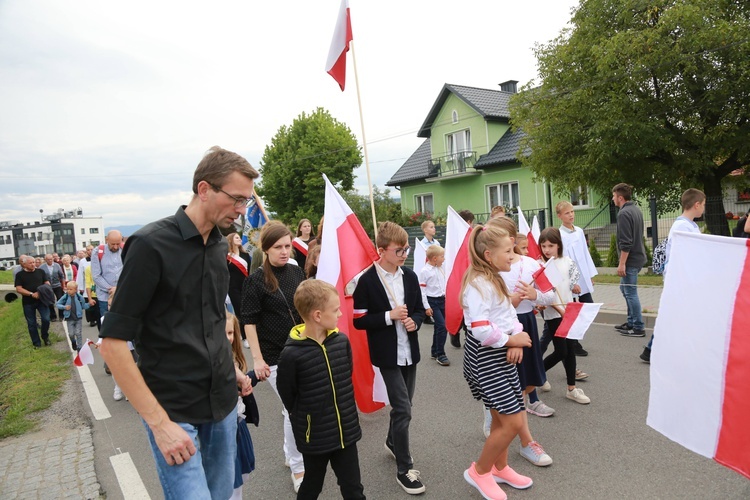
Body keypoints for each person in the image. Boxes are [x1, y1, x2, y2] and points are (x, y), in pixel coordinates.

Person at [98, 146, 257, 499]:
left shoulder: (218, 246)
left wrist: (234, 371)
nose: (242, 210)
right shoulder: (150, 245)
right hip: (174, 412)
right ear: (204, 189)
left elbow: (215, 322)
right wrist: (159, 424)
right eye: (236, 199)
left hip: (222, 405)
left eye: (246, 201)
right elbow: (112, 344)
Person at [460, 223, 534, 500]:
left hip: (500, 356)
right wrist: (510, 340)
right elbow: (479, 329)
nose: (513, 255)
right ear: (489, 255)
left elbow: (507, 316)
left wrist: (516, 333)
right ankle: (479, 471)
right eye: (508, 251)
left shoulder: (495, 279)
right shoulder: (478, 284)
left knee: (501, 419)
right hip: (486, 359)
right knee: (513, 422)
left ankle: (500, 468)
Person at [353, 221, 426, 495]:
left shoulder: (408, 276)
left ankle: (393, 442)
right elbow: (359, 319)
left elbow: (418, 310)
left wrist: (415, 322)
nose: (404, 254)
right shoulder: (367, 280)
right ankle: (404, 470)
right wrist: (388, 316)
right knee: (404, 409)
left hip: (410, 351)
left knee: (403, 406)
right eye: (399, 250)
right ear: (381, 250)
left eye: (406, 249)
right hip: (387, 354)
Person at [277, 279, 365, 500]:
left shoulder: (341, 342)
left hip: (346, 432)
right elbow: (288, 396)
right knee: (312, 486)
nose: (340, 315)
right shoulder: (292, 355)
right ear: (317, 315)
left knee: (354, 489)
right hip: (315, 437)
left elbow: (346, 376)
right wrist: (306, 422)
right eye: (335, 310)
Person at [242, 221, 307, 493]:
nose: (284, 251)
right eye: (278, 247)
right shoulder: (255, 280)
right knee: (295, 409)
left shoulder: (296, 271)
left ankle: (289, 451)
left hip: (302, 349)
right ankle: (297, 466)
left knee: (290, 407)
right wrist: (257, 359)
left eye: (287, 246)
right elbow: (249, 322)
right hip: (274, 356)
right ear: (266, 249)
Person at [485, 217, 555, 467]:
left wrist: (536, 295)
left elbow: (550, 294)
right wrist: (508, 304)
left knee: (525, 384)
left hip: (525, 324)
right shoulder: (488, 267)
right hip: (500, 330)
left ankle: (498, 418)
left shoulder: (530, 264)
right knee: (509, 386)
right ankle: (525, 441)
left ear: (511, 240)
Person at [640, 188, 705, 363]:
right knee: (674, 315)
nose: (704, 208)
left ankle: (653, 350)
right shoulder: (682, 226)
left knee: (674, 315)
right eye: (703, 205)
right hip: (679, 278)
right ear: (696, 204)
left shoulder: (690, 224)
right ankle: (653, 350)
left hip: (683, 278)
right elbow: (686, 253)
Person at [538, 228, 591, 405]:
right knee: (561, 350)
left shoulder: (567, 262)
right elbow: (544, 293)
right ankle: (536, 374)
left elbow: (572, 282)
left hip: (568, 310)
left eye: (550, 245)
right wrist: (556, 308)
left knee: (570, 349)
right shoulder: (541, 266)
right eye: (543, 246)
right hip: (553, 313)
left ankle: (571, 388)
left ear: (558, 245)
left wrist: (575, 286)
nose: (546, 249)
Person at [556, 201, 598, 357]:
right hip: (571, 280)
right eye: (567, 213)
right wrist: (571, 282)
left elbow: (585, 255)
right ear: (559, 216)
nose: (571, 215)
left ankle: (574, 339)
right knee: (572, 311)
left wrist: (589, 276)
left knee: (588, 307)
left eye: (572, 212)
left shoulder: (579, 231)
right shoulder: (559, 235)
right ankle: (573, 342)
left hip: (583, 278)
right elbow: (562, 260)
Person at [225, 312, 256, 500]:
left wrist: (248, 380)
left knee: (242, 474)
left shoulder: (233, 357)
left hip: (238, 420)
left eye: (230, 333)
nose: (227, 338)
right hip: (224, 427)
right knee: (231, 480)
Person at [612, 183, 647, 337]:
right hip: (637, 257)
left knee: (631, 292)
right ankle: (631, 321)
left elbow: (626, 242)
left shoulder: (624, 214)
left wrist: (622, 263)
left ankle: (638, 326)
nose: (612, 199)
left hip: (631, 260)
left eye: (613, 196)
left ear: (620, 197)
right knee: (624, 289)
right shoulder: (635, 210)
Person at [419, 245, 449, 366]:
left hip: (442, 300)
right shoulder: (425, 271)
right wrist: (426, 306)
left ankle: (434, 350)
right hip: (432, 301)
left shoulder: (441, 268)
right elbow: (422, 291)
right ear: (435, 258)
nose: (444, 259)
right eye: (442, 256)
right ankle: (440, 354)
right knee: (442, 326)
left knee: (439, 326)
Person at [14, 255, 52, 348]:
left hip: (41, 300)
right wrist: (31, 294)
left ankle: (45, 336)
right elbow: (19, 289)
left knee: (46, 319)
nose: (33, 264)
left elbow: (47, 283)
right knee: (31, 324)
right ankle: (36, 343)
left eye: (34, 262)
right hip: (28, 302)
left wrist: (40, 291)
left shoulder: (40, 272)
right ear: (24, 264)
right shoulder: (20, 275)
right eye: (30, 263)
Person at [226, 232, 251, 348]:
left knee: (247, 310)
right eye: (237, 237)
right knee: (240, 311)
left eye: (240, 237)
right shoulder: (227, 257)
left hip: (245, 286)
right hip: (233, 288)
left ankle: (245, 332)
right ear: (231, 240)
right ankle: (245, 337)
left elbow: (249, 271)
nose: (240, 239)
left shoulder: (245, 255)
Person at [91, 230, 123, 317]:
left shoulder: (125, 250)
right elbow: (96, 276)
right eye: (113, 244)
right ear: (107, 240)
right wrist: (111, 289)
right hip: (105, 297)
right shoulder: (98, 252)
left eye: (118, 243)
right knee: (107, 323)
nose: (116, 247)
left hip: (123, 294)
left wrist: (119, 288)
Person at [56, 280, 90, 351]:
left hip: (78, 318)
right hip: (69, 319)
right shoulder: (65, 297)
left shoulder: (79, 297)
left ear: (75, 290)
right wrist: (64, 307)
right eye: (67, 289)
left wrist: (90, 304)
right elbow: (57, 304)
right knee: (71, 334)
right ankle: (73, 342)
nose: (68, 291)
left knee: (78, 333)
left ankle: (79, 348)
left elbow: (83, 306)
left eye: (70, 289)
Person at [41, 253, 65, 321]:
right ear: (45, 260)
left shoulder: (57, 265)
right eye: (48, 259)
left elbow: (61, 276)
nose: (50, 261)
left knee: (60, 299)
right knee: (50, 301)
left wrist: (63, 285)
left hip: (57, 285)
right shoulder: (42, 267)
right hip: (47, 286)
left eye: (51, 259)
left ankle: (61, 315)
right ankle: (53, 316)